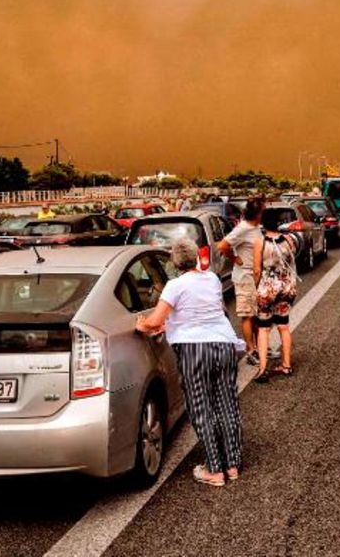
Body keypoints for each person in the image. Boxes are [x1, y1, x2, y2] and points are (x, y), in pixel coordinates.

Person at [135, 239, 244, 487]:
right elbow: (202, 310)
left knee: (201, 406)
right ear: (197, 257)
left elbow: (155, 321)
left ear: (175, 262)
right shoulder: (212, 279)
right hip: (224, 345)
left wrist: (142, 325)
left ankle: (214, 469)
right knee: (227, 403)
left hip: (195, 350)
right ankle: (233, 464)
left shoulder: (175, 285)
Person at [252, 213, 299, 382]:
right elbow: (292, 260)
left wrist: (256, 287)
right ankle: (286, 365)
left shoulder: (260, 242)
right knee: (283, 326)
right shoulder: (289, 240)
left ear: (263, 224)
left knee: (264, 329)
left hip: (267, 289)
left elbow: (257, 270)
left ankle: (263, 368)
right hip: (286, 287)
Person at [218, 197, 265, 365]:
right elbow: (222, 246)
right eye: (262, 210)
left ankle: (260, 348)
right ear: (257, 213)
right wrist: (235, 258)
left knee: (257, 315)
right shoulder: (242, 228)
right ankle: (251, 350)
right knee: (248, 315)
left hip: (256, 276)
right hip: (245, 277)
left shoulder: (256, 228)